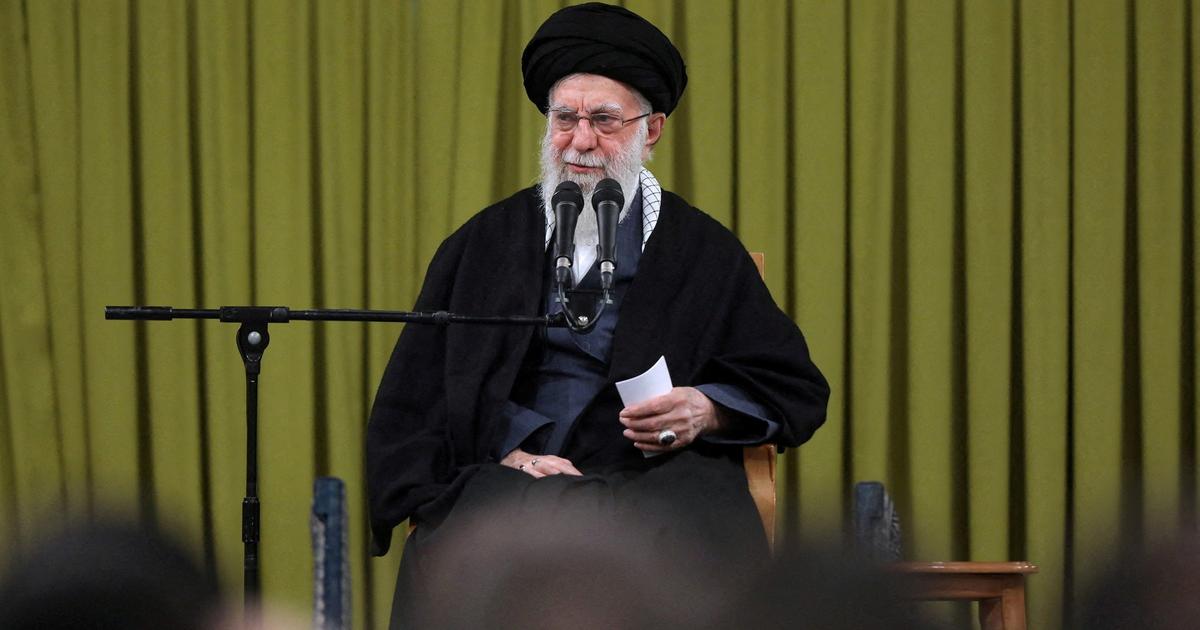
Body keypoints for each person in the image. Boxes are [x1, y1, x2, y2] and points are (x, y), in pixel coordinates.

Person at [366, 3, 829, 627]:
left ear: (651, 130)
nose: (581, 141)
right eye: (565, 118)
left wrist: (706, 408)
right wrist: (509, 447)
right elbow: (421, 393)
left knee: (690, 525)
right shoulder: (485, 243)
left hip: (652, 478)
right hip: (515, 473)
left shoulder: (701, 250)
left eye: (604, 120)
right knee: (469, 523)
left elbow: (792, 385)